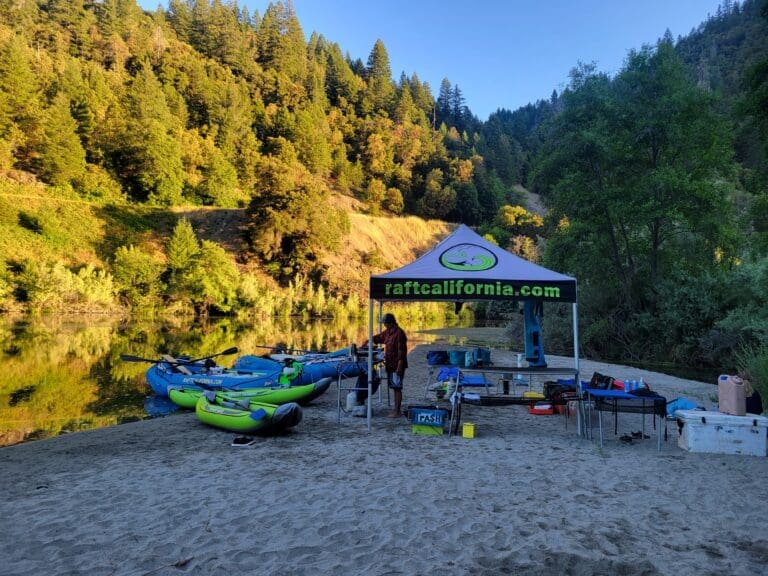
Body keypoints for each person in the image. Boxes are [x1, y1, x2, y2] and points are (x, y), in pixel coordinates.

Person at [365, 313, 408, 417]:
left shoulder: (399, 333)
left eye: (385, 324)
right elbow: (380, 337)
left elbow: (402, 352)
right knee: (394, 387)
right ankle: (395, 409)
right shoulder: (389, 332)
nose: (384, 325)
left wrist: (399, 367)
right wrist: (369, 340)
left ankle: (397, 411)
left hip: (397, 365)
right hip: (390, 364)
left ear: (391, 323)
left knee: (397, 387)